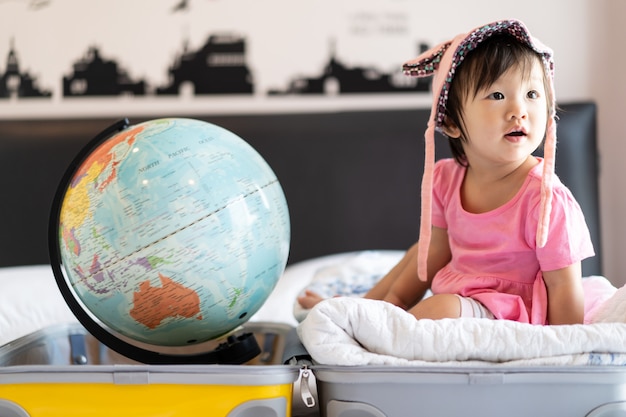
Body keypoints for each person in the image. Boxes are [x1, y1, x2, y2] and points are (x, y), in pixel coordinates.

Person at [298, 19, 594, 325]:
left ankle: (386, 328)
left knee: (439, 311)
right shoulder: (446, 180)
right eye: (497, 95)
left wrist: (565, 352)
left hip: (512, 316)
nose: (519, 110)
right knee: (424, 282)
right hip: (462, 302)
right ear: (451, 123)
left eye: (532, 94)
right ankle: (363, 316)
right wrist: (381, 304)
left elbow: (563, 286)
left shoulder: (546, 199)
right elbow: (429, 254)